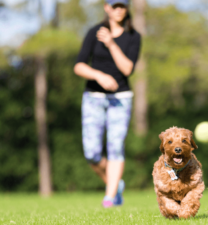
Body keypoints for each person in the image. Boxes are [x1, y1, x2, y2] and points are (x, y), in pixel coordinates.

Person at [74, 0, 141, 208]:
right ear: (106, 7)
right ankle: (115, 185)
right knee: (92, 153)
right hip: (93, 98)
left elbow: (128, 69)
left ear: (127, 8)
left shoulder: (133, 36)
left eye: (122, 6)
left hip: (120, 99)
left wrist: (112, 43)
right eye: (114, 5)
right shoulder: (94, 32)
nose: (118, 10)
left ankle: (109, 198)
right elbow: (79, 66)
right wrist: (98, 75)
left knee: (115, 147)